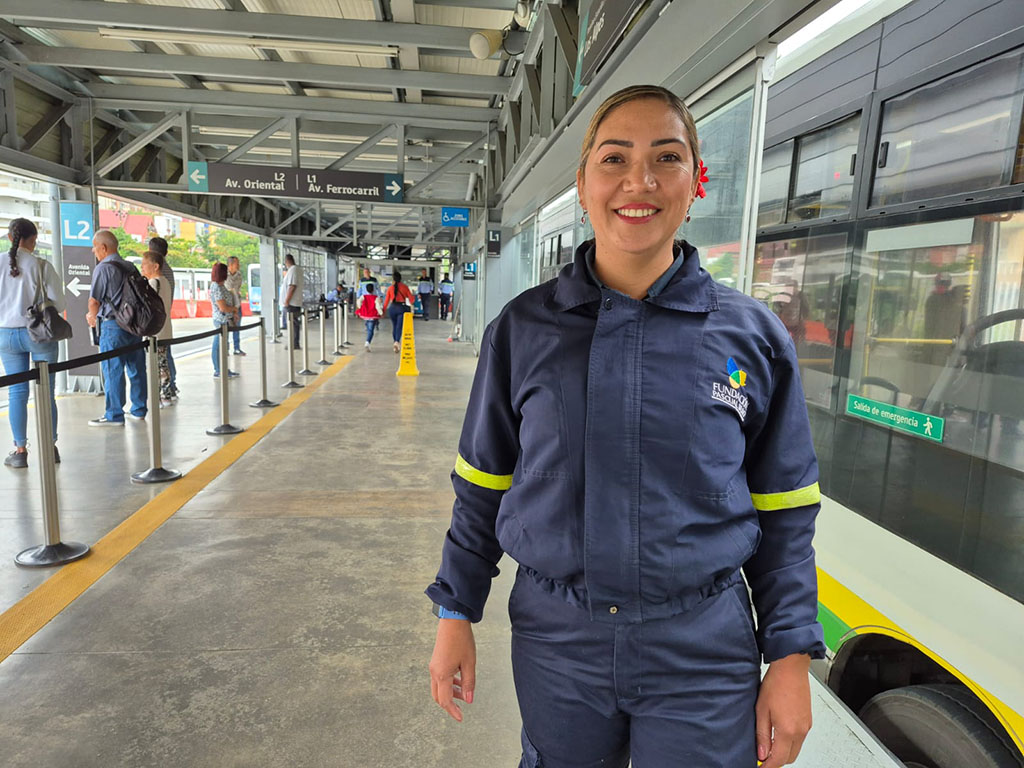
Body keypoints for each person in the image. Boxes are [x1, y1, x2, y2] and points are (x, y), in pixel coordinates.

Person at [425, 85, 824, 768]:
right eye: (615, 159)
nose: (639, 181)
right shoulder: (523, 330)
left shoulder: (751, 337)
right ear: (583, 184)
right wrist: (456, 611)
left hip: (702, 644)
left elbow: (785, 511)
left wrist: (788, 655)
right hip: (558, 639)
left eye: (666, 158)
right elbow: (483, 483)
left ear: (695, 182)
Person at [0, 219, 63, 467]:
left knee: (17, 391)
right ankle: (50, 447)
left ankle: (20, 451)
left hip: (5, 334)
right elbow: (59, 303)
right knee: (46, 392)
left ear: (9, 237)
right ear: (33, 240)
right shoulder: (40, 265)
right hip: (38, 333)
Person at [87, 229, 147, 426]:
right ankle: (138, 409)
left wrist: (92, 317)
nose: (94, 252)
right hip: (134, 324)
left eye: (95, 248)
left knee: (113, 369)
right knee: (136, 368)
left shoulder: (103, 268)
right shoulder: (130, 266)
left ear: (103, 248)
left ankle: (114, 414)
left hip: (113, 325)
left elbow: (94, 301)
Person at [139, 250, 174, 406]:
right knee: (163, 363)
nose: (142, 268)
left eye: (145, 264)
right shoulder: (165, 282)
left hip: (155, 333)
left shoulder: (154, 283)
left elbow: (146, 306)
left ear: (155, 266)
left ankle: (158, 397)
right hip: (165, 330)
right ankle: (166, 394)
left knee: (155, 366)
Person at [148, 236, 178, 400]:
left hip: (157, 325)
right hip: (166, 321)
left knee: (161, 359)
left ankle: (166, 387)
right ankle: (171, 386)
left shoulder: (156, 278)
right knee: (166, 356)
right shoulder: (169, 272)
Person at [209, 262, 240, 378]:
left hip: (225, 320)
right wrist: (234, 309)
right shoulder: (216, 287)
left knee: (224, 346)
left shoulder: (221, 286)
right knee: (218, 346)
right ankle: (218, 370)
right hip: (220, 320)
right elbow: (223, 307)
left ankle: (223, 368)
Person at [383, 270, 415, 354]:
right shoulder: (405, 287)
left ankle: (395, 342)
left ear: (393, 279)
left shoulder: (390, 288)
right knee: (399, 327)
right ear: (400, 279)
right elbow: (412, 299)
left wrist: (383, 311)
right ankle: (397, 341)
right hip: (401, 308)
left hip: (392, 308)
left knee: (394, 326)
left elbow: (386, 301)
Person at [224, 256, 246, 356]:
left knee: (237, 327)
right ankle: (226, 349)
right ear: (231, 265)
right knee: (226, 327)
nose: (239, 265)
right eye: (237, 263)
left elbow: (237, 289)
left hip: (237, 305)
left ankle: (237, 348)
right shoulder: (224, 275)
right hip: (227, 305)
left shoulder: (239, 275)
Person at [283, 253, 304, 349]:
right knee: (294, 324)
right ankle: (294, 342)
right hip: (295, 302)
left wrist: (286, 300)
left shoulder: (293, 270)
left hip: (291, 303)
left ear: (286, 261)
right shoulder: (297, 270)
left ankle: (294, 343)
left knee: (292, 324)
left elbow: (292, 286)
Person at [355, 281, 383, 351]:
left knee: (368, 326)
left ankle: (367, 340)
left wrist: (360, 307)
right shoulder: (376, 297)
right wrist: (381, 313)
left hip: (365, 314)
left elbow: (358, 302)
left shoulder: (363, 296)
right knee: (371, 330)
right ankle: (367, 342)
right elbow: (378, 307)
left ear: (366, 289)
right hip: (373, 315)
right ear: (373, 289)